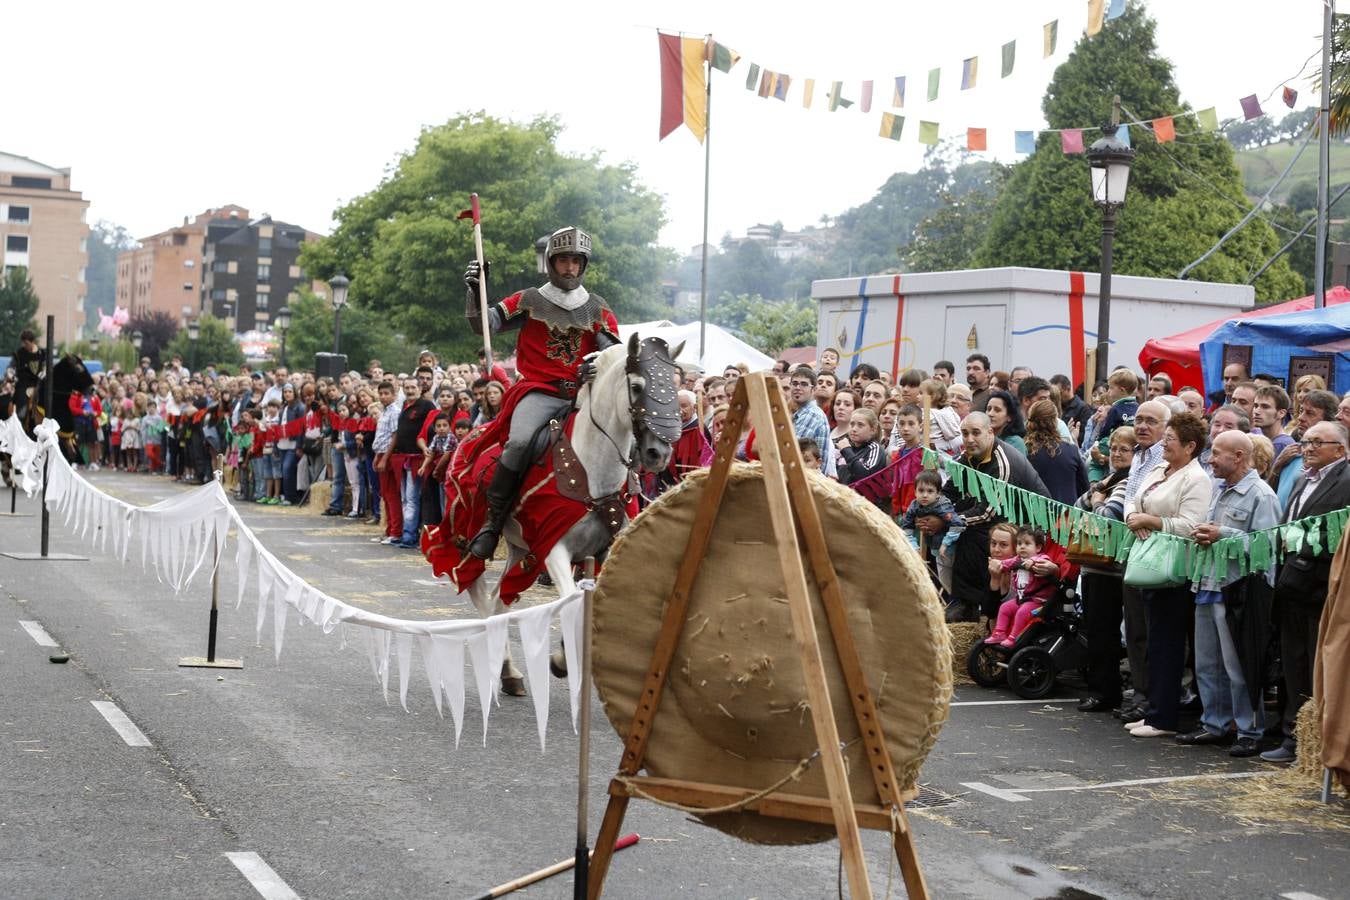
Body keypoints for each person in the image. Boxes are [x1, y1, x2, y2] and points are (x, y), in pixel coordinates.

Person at [461, 226, 620, 559]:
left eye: (577, 261)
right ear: (551, 262)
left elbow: (613, 355)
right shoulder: (530, 299)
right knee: (519, 443)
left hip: (583, 395)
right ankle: (493, 524)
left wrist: (597, 364)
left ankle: (615, 522)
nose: (570, 268)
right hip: (539, 391)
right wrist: (476, 291)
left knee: (618, 444)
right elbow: (484, 324)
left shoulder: (598, 309)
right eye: (563, 260)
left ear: (584, 264)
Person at [1180, 431, 1282, 757]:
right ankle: (1215, 724)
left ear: (1238, 456)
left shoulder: (1261, 495)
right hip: (1206, 584)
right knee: (1208, 665)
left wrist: (1223, 534)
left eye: (1218, 453)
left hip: (1237, 591)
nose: (1210, 459)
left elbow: (1268, 548)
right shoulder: (1218, 488)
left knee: (1238, 666)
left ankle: (1250, 730)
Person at [1263, 420, 1350, 764]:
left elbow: (1339, 535)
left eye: (1318, 442)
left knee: (1318, 666)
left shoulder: (1346, 481)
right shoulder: (1301, 479)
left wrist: (1303, 551)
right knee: (1294, 665)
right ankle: (1294, 737)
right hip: (1291, 588)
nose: (1308, 447)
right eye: (1306, 440)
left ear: (1340, 450)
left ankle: (1320, 743)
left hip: (1321, 590)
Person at [1123, 412, 1210, 738]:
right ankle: (1153, 711)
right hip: (1147, 562)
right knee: (1153, 642)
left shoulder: (1196, 479)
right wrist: (1135, 516)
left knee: (1169, 644)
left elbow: (1191, 525)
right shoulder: (1160, 469)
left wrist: (1152, 522)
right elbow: (1134, 497)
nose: (1164, 446)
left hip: (1174, 569)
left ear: (1190, 446)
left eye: (1170, 440)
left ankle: (1164, 717)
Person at [930, 412, 1050, 622]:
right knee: (955, 526)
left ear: (990, 432)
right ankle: (962, 599)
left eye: (975, 433)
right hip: (1002, 516)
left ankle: (971, 604)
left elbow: (988, 511)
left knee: (972, 535)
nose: (969, 439)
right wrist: (932, 512)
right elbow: (949, 492)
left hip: (1030, 524)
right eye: (965, 433)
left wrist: (946, 520)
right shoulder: (967, 457)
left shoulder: (1003, 463)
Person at [986, 526, 1058, 647]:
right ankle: (999, 633)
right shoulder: (1018, 559)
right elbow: (1008, 563)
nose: (1022, 547)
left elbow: (1045, 561)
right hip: (1021, 598)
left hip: (1036, 600)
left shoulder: (1041, 557)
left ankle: (1014, 637)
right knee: (1004, 607)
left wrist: (1033, 562)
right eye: (1019, 543)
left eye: (1027, 543)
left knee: (1022, 612)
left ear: (1038, 547)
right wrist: (999, 565)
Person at [899, 469, 964, 590]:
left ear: (938, 493)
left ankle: (956, 600)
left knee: (949, 579)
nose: (925, 495)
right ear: (915, 491)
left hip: (949, 549)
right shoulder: (914, 505)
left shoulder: (943, 506)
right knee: (943, 577)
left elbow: (957, 524)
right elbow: (906, 526)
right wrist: (914, 547)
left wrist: (945, 543)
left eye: (930, 491)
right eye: (921, 490)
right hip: (934, 547)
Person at [1023, 399, 1089, 505]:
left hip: (1037, 515)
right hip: (1068, 516)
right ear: (1054, 421)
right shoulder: (1071, 450)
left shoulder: (1025, 450)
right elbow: (1084, 488)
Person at [787, 366, 837, 478]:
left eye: (804, 384)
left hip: (807, 482)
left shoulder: (811, 414)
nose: (798, 387)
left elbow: (791, 452)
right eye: (794, 383)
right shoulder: (802, 412)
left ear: (813, 390)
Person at [837, 407, 887, 489]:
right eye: (852, 424)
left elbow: (865, 475)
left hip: (863, 499)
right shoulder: (848, 447)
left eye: (860, 425)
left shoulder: (875, 448)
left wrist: (846, 451)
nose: (854, 429)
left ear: (873, 430)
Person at [1250, 385, 1294, 457]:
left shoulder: (1282, 444)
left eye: (1265, 407)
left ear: (1281, 413)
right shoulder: (1255, 434)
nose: (1257, 411)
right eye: (1255, 406)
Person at [983, 389, 1026, 455]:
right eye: (988, 409)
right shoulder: (982, 437)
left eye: (997, 410)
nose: (990, 414)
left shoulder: (1016, 442)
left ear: (1009, 417)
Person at [1051, 374, 1093, 438]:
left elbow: (1085, 435)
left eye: (1059, 393)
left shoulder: (1083, 408)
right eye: (1054, 394)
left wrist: (1068, 433)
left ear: (1068, 389)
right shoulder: (1055, 407)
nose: (1057, 397)